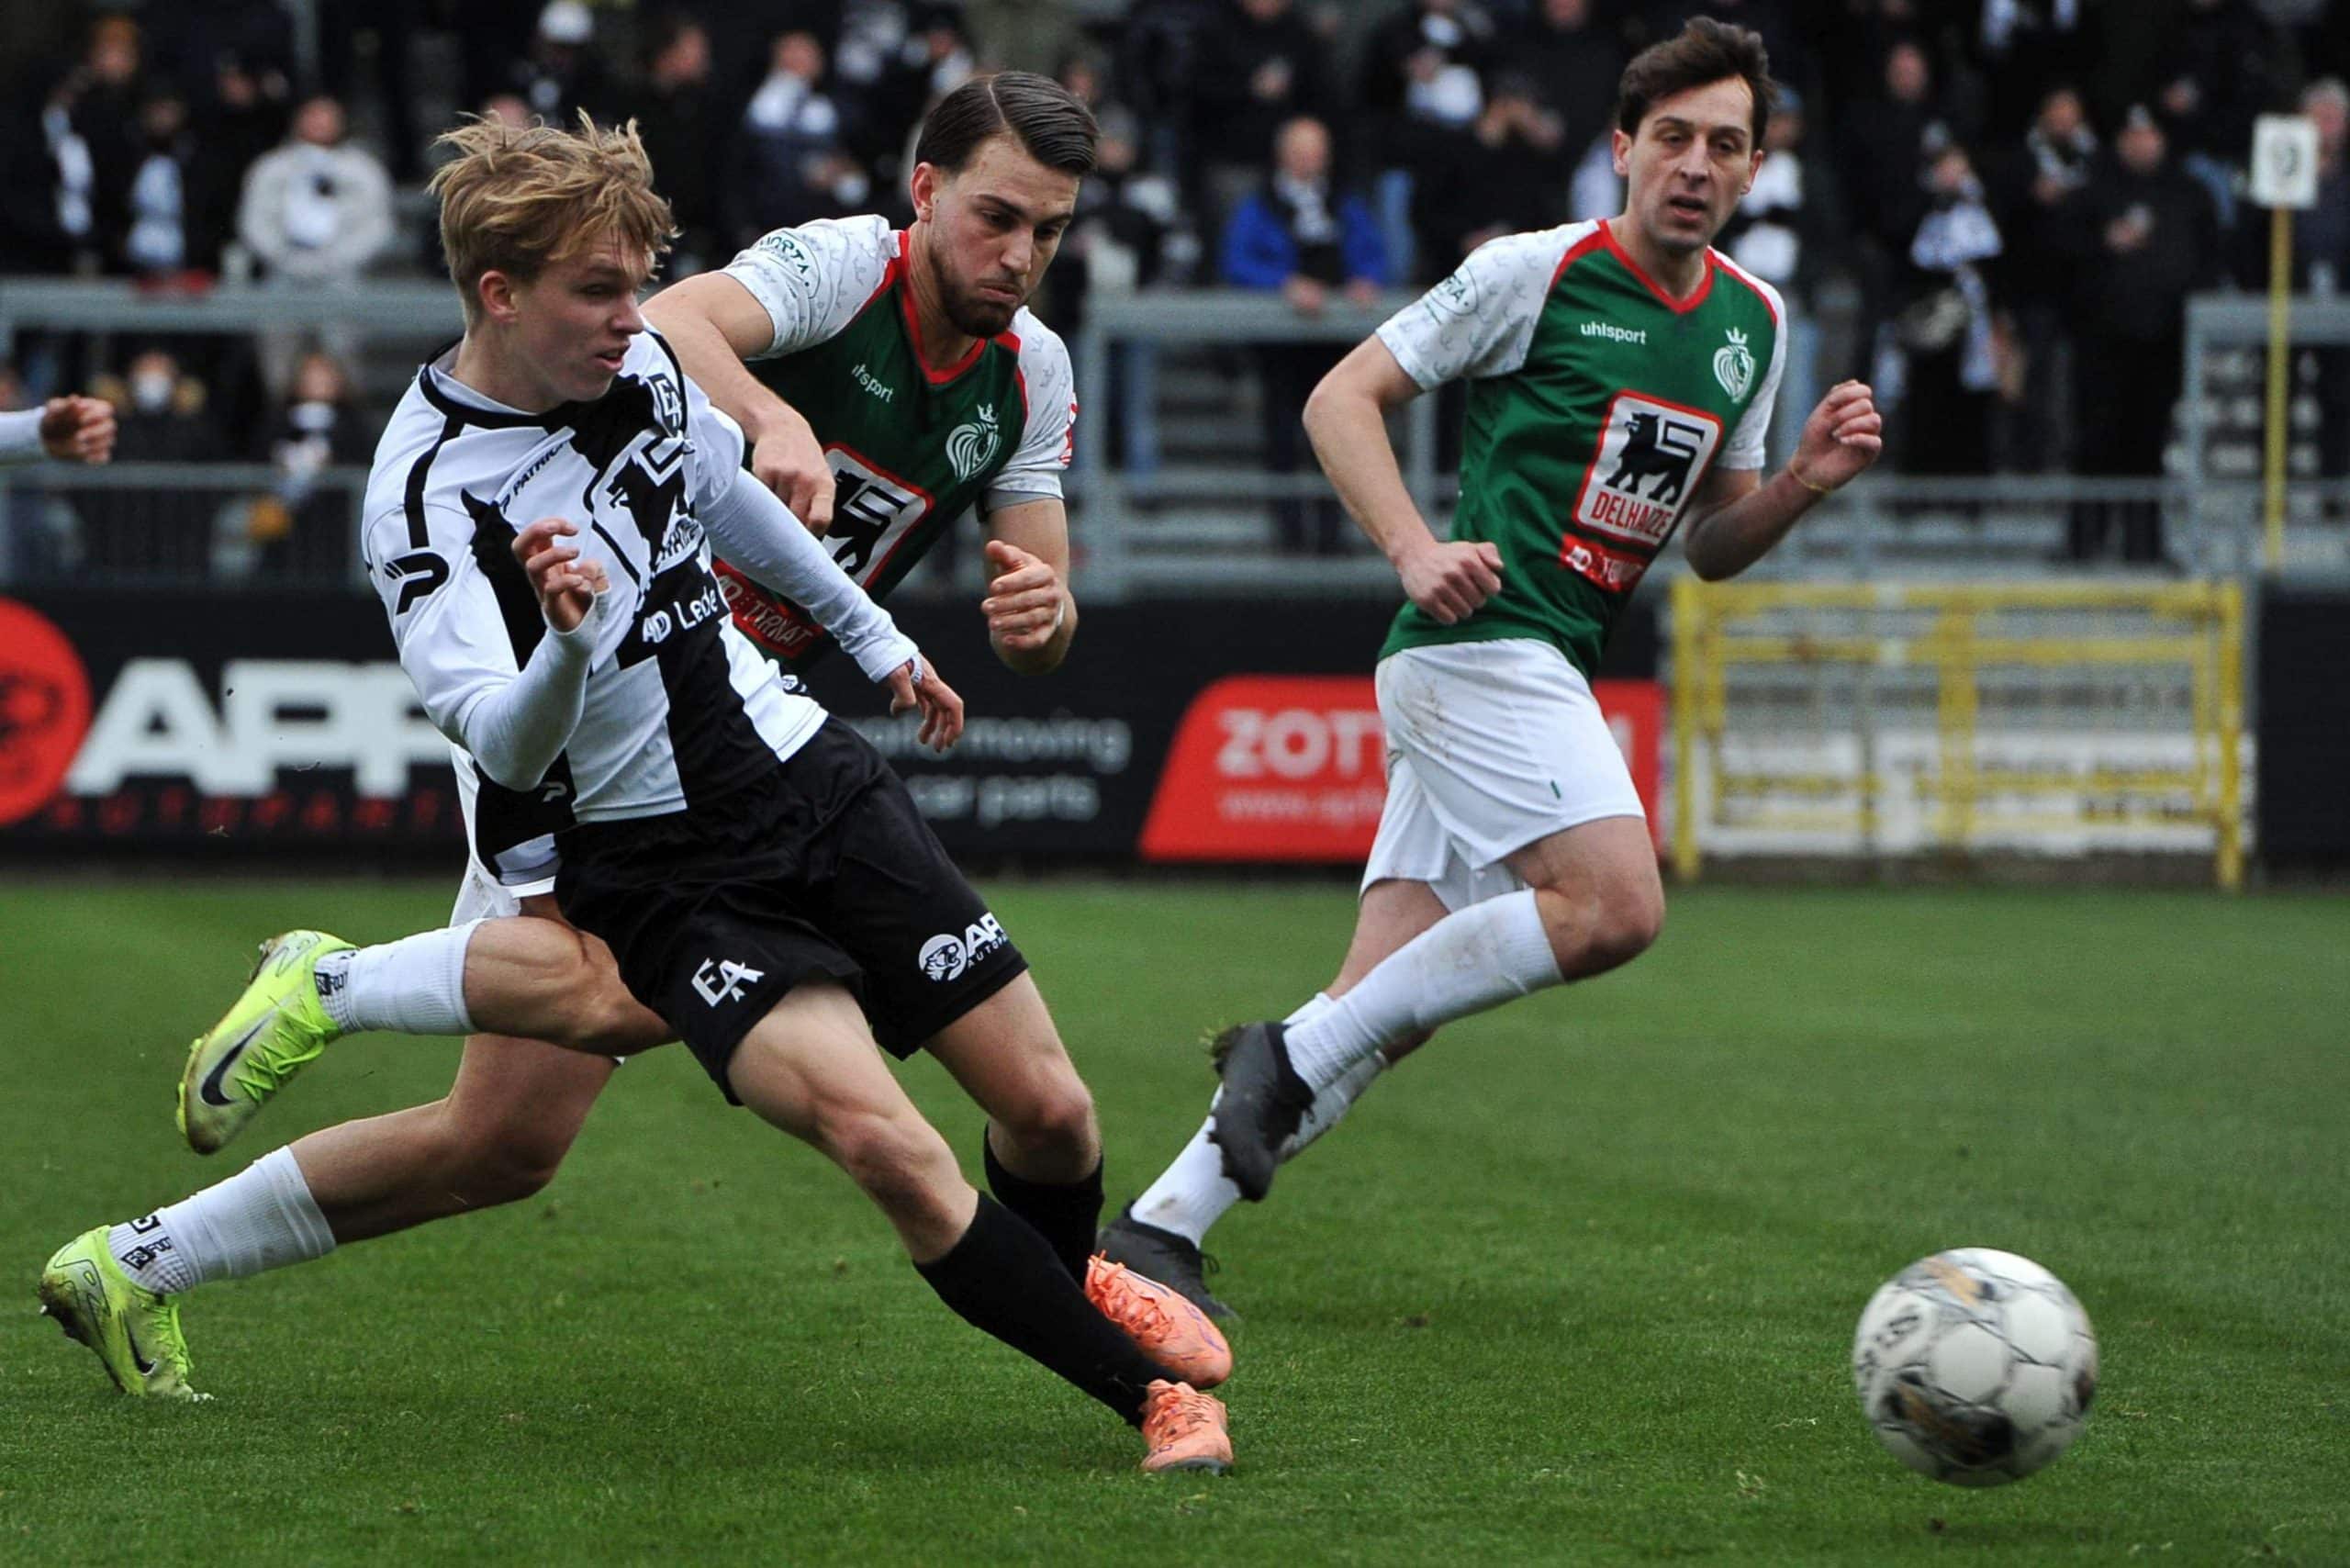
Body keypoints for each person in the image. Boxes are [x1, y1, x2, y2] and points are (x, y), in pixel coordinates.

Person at [36, 82, 1233, 1473]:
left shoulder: (656, 365)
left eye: (1050, 229)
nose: (634, 319)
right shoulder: (431, 493)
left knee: (526, 1142)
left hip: (778, 753)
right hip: (594, 806)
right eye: (601, 293)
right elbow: (502, 738)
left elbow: (719, 487)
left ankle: (156, 1232)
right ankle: (333, 993)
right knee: (620, 1051)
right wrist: (571, 635)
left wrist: (880, 637)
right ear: (500, 294)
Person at [1098, 17, 1883, 1316]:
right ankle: (1286, 1054)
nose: (1695, 165)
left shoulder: (1754, 321)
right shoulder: (1535, 270)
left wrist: (1800, 481)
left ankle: (1155, 1229)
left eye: (1725, 144)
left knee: (1387, 1007)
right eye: (1673, 138)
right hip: (1476, 648)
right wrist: (1414, 548)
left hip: (1545, 663)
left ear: (1755, 167)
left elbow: (1713, 545)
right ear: (1622, 148)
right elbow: (1339, 397)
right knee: (1616, 906)